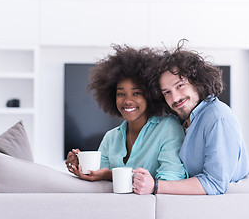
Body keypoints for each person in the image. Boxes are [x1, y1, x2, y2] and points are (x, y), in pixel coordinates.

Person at [65, 45, 187, 193]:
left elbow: (171, 179)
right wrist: (81, 167)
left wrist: (111, 175)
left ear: (150, 95)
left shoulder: (168, 128)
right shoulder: (111, 138)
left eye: (136, 93)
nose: (127, 101)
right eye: (121, 94)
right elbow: (98, 179)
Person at [135, 40, 249, 195]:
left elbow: (214, 184)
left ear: (197, 82)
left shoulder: (218, 118)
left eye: (180, 85)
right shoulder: (182, 121)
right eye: (166, 92)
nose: (175, 98)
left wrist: (155, 186)